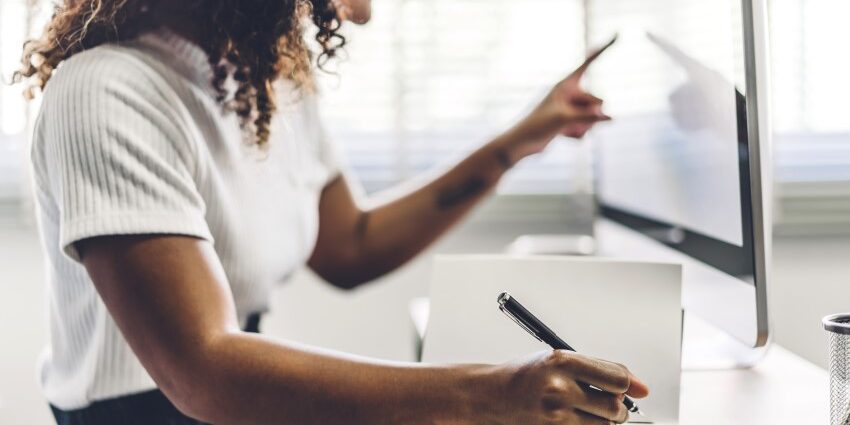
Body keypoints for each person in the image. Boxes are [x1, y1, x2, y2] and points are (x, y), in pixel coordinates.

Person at [16, 0, 649, 424]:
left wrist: (517, 143)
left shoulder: (268, 80)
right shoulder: (105, 92)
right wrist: (493, 393)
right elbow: (202, 369)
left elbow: (351, 244)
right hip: (143, 410)